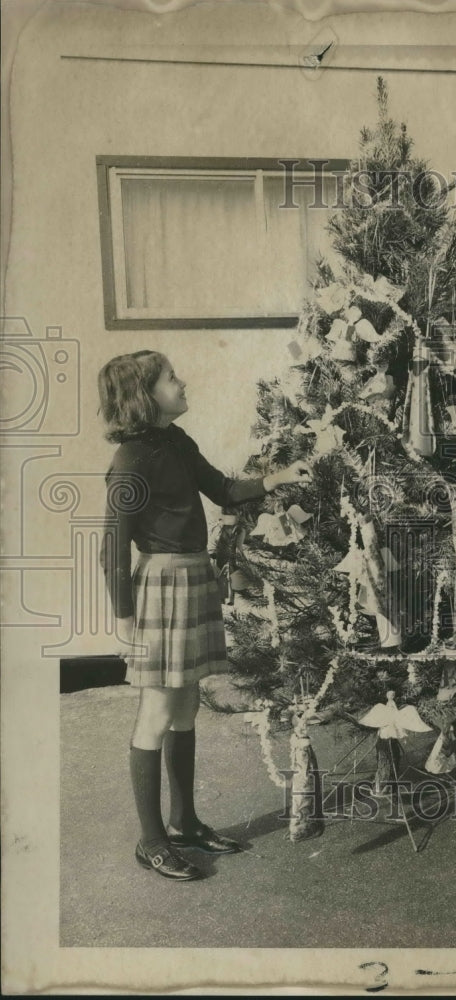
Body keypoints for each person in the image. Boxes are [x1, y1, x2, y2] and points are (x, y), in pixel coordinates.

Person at [98, 350, 311, 880]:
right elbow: (111, 546)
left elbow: (222, 490)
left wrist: (278, 476)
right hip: (163, 587)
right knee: (157, 712)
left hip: (194, 578)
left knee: (186, 707)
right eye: (172, 377)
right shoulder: (131, 459)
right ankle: (151, 841)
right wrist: (124, 619)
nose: (183, 380)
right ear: (146, 395)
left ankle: (185, 821)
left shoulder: (176, 441)